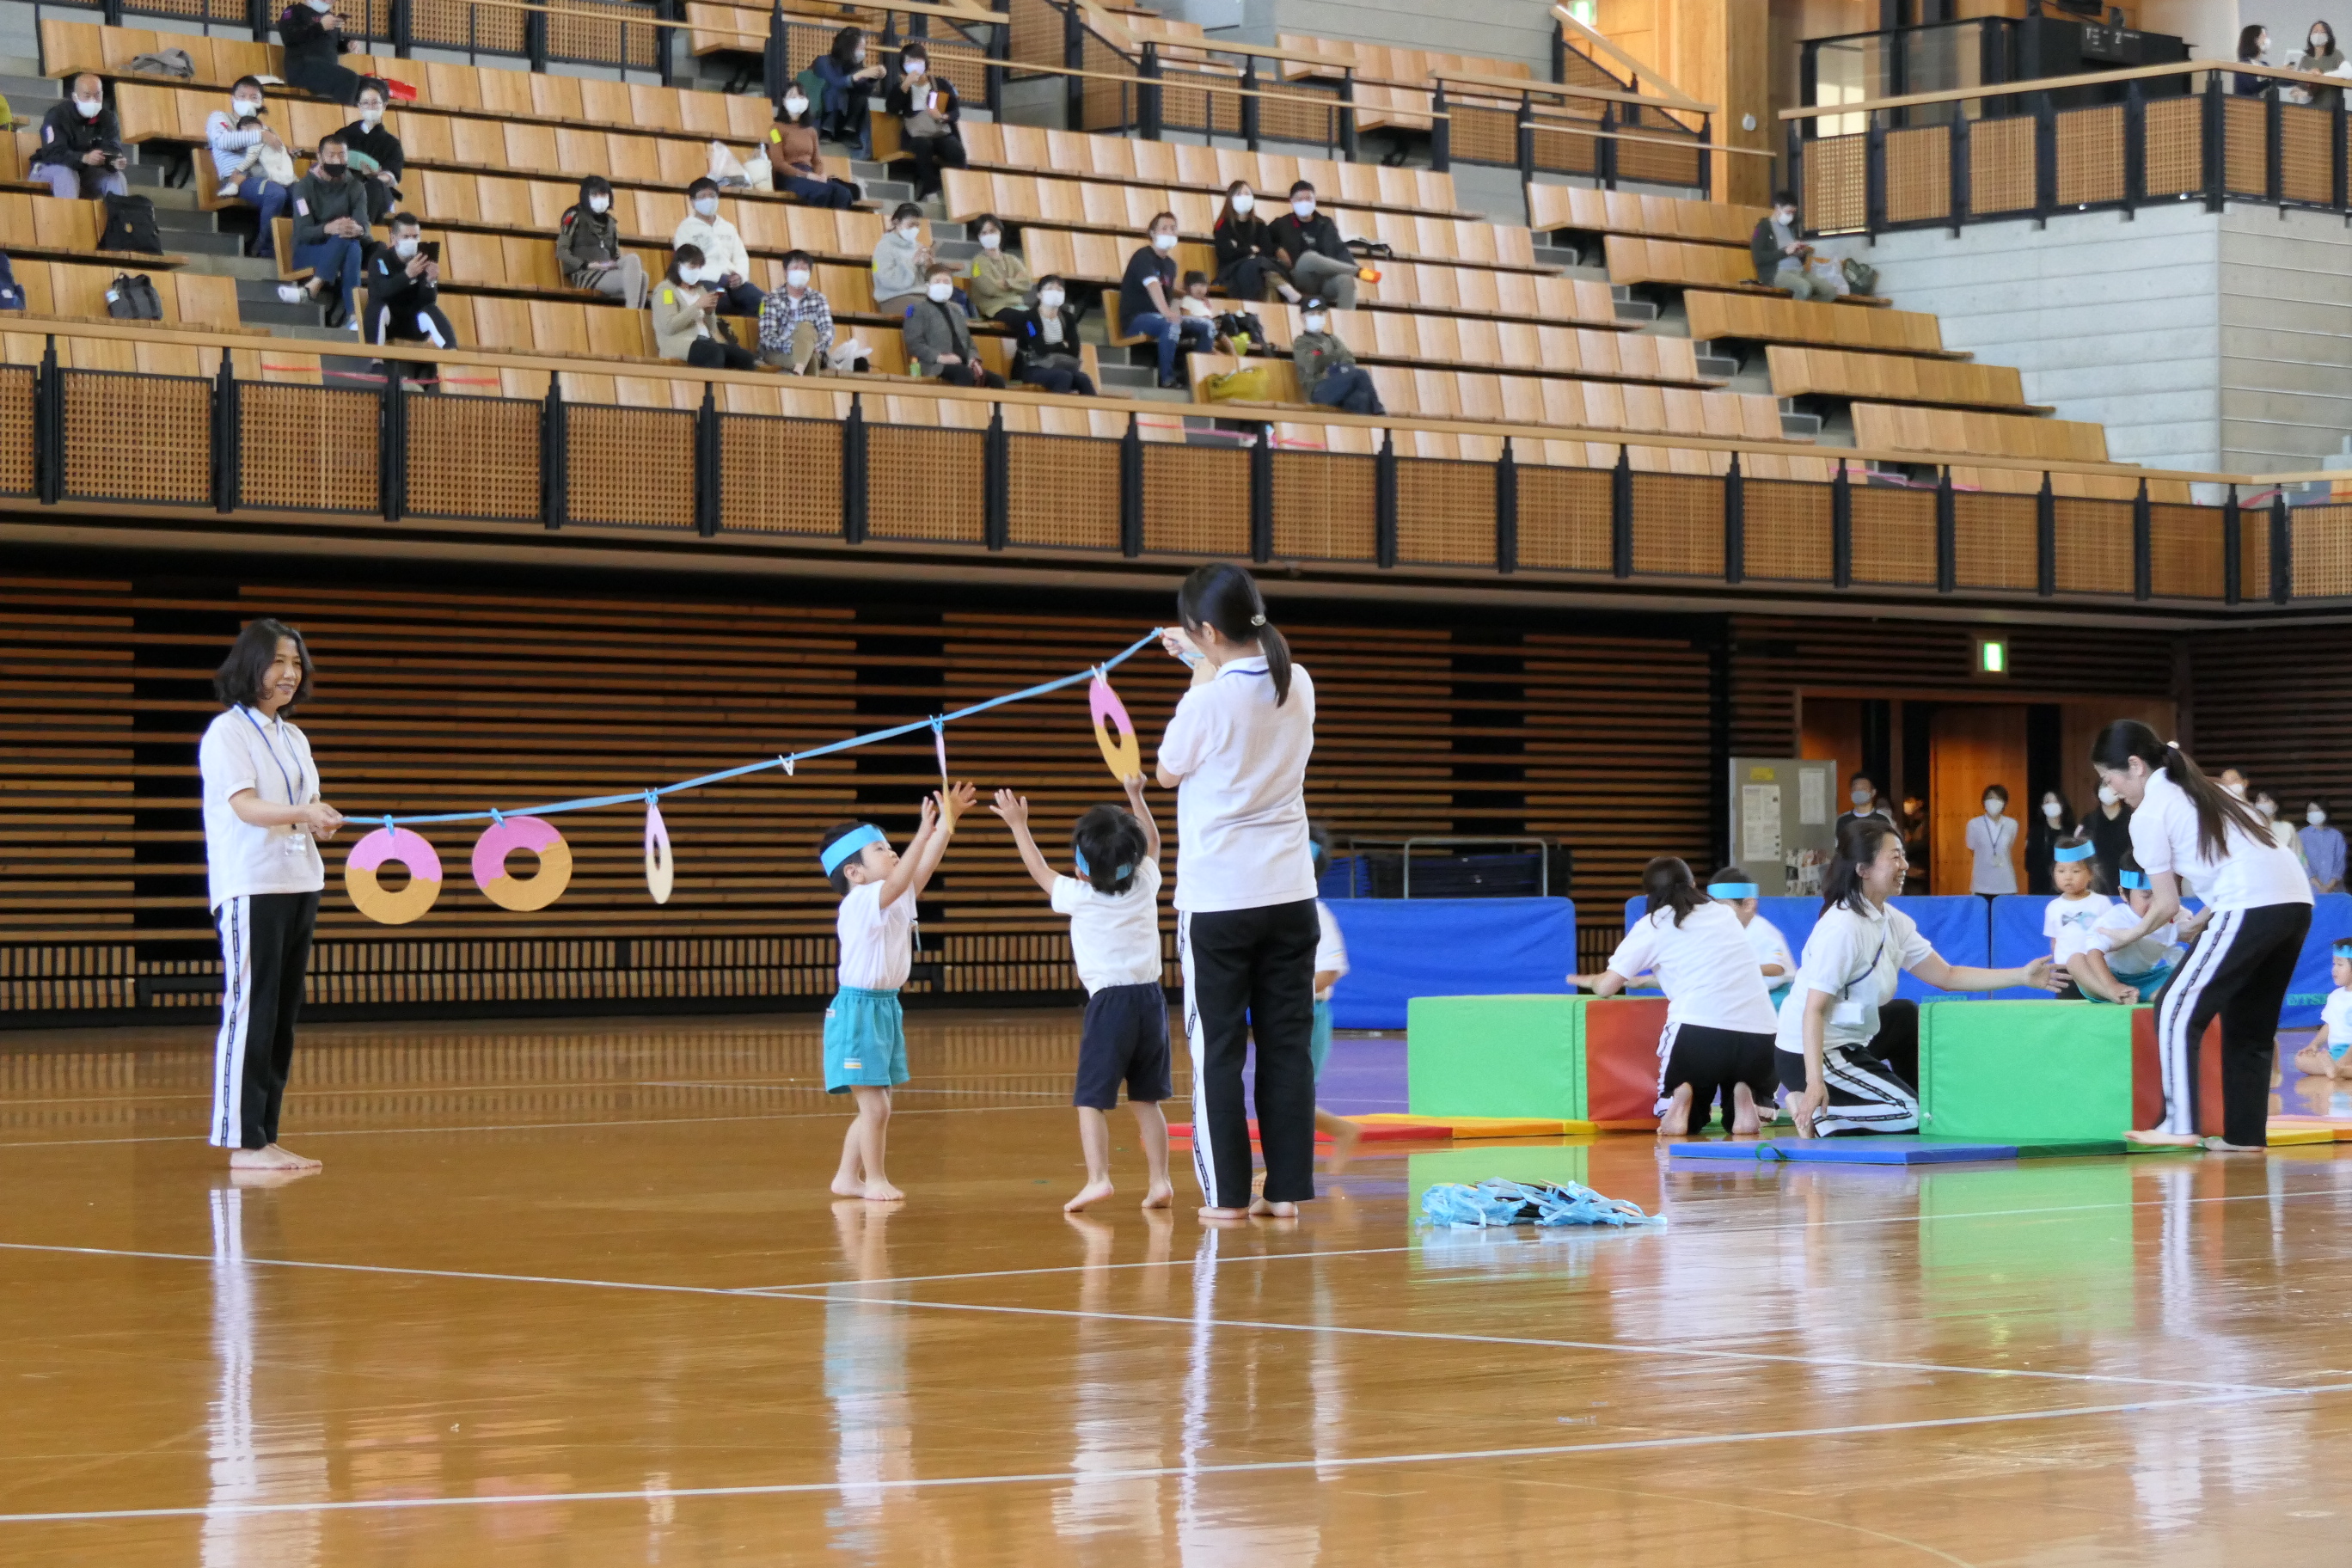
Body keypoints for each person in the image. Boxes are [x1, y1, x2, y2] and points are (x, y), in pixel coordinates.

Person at [1155, 563, 1318, 1220]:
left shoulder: (1206, 700)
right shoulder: (1297, 680)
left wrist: (1199, 671)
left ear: (1208, 631)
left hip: (1220, 901)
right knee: (1287, 1047)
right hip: (1291, 896)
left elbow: (1167, 771)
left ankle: (1226, 1197)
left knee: (1216, 1052)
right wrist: (1203, 657)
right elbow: (1241, 685)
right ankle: (1285, 1192)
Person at [2092, 721, 2313, 1151]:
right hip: (2294, 903)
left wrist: (2127, 935)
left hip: (2250, 904)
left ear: (2135, 766)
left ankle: (2178, 1124)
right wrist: (2203, 920)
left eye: (2108, 778)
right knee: (2249, 1022)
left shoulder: (2151, 813)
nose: (2111, 790)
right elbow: (2248, 861)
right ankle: (2244, 1135)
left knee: (2174, 1006)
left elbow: (2165, 904)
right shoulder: (2211, 790)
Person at [1781, 817, 2056, 1136]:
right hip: (1811, 1053)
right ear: (1863, 870)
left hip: (1854, 1040)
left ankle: (1920, 1102)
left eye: (1903, 856)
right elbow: (1813, 1010)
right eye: (1894, 857)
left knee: (1904, 1014)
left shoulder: (1892, 920)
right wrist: (1814, 1082)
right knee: (1910, 1116)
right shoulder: (1841, 928)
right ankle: (1816, 1112)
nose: (1904, 865)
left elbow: (1948, 976)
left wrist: (2022, 976)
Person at [989, 777, 1173, 1213]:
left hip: (1110, 1006)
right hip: (1152, 1001)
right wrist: (1136, 795)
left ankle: (1098, 1179)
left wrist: (1018, 825)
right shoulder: (1147, 880)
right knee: (1146, 1100)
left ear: (1081, 869)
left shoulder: (1080, 896)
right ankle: (1160, 1181)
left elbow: (1040, 871)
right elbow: (1153, 842)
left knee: (1091, 1099)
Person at [201, 617, 344, 1173]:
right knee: (252, 1010)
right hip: (252, 885)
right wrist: (303, 812)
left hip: (300, 881)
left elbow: (300, 808)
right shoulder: (227, 733)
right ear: (252, 666)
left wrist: (317, 820)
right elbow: (245, 806)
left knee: (282, 1014)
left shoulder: (294, 736)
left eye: (296, 663)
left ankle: (265, 1135)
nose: (289, 673)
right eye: (278, 661)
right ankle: (243, 1142)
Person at [815, 782, 975, 1203]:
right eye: (881, 850)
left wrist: (947, 823)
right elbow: (905, 875)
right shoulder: (861, 901)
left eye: (890, 847)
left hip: (884, 1007)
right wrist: (923, 831)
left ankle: (846, 1178)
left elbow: (921, 869)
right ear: (854, 873)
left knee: (878, 1105)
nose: (893, 853)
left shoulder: (894, 896)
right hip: (857, 1011)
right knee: (877, 1107)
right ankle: (875, 1180)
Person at [1571, 856, 1781, 1138]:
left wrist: (1591, 980)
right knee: (1752, 1106)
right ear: (1693, 885)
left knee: (1688, 1117)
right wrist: (1648, 980)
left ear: (1649, 895)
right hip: (1762, 1032)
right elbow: (1712, 970)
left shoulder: (1653, 924)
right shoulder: (1723, 915)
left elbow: (1607, 987)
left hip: (1699, 1032)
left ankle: (1680, 1096)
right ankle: (1747, 1101)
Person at [276, 134, 370, 331]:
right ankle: (354, 315)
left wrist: (357, 229)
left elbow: (364, 226)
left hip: (342, 250)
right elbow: (303, 233)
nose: (337, 160)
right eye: (331, 155)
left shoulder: (357, 187)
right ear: (319, 157)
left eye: (342, 155)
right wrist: (329, 228)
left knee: (352, 244)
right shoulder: (303, 187)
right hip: (309, 251)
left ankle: (313, 287)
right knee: (348, 242)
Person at [2069, 853, 2189, 1007]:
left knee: (2187, 971)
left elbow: (2195, 934)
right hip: (2105, 978)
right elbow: (2094, 954)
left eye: (2161, 896)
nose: (2156, 904)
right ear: (2123, 894)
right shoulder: (2116, 918)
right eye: (2146, 896)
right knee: (2076, 960)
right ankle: (2114, 994)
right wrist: (2112, 986)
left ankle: (2152, 994)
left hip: (2148, 979)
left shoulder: (2174, 912)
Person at [1306, 824, 1358, 1155]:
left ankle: (1341, 1130)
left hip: (1308, 1014)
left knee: (1291, 1094)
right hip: (1284, 1012)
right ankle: (1342, 1130)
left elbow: (1330, 970)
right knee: (1282, 1094)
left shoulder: (1316, 913)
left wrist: (1288, 994)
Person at [1122, 212, 1215, 389]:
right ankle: (1167, 378)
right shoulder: (1143, 256)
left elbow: (1169, 291)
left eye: (1173, 228)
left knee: (1207, 326)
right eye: (1164, 228)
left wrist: (1195, 299)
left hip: (1160, 318)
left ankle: (1193, 378)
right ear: (1152, 233)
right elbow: (1153, 285)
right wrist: (1166, 312)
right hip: (1136, 319)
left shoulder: (1171, 265)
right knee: (1171, 324)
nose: (1169, 232)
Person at [361, 212, 455, 388]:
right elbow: (380, 292)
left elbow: (427, 301)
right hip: (390, 323)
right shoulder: (380, 259)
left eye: (415, 237)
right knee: (377, 306)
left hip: (413, 325)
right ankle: (376, 362)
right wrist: (407, 275)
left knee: (431, 310)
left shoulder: (422, 260)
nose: (411, 241)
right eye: (406, 237)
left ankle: (452, 354)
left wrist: (430, 282)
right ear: (394, 238)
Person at [206, 79, 290, 258]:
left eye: (254, 97)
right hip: (236, 177)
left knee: (302, 194)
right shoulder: (220, 118)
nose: (247, 101)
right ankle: (265, 248)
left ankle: (298, 249)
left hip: (270, 176)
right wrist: (260, 135)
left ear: (261, 102)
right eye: (242, 96)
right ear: (232, 98)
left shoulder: (266, 129)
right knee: (275, 194)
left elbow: (277, 156)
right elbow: (223, 141)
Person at [653, 245, 759, 371]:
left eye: (699, 267)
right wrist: (697, 306)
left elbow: (712, 328)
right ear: (678, 265)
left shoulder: (700, 289)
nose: (696, 271)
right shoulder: (666, 290)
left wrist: (709, 312)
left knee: (746, 358)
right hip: (679, 343)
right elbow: (669, 326)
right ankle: (710, 384)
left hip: (706, 341)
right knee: (713, 354)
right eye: (692, 266)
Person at [884, 41, 964, 200]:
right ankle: (930, 187)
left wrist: (942, 116)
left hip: (939, 132)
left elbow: (955, 111)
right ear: (903, 65)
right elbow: (891, 109)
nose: (914, 64)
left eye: (917, 60)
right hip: (916, 135)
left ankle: (960, 187)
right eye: (909, 61)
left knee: (954, 148)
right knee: (923, 145)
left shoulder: (941, 84)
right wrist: (904, 87)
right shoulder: (901, 87)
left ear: (925, 62)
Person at [904, 263, 1006, 387]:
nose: (942, 285)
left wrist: (973, 359)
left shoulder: (957, 309)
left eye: (946, 282)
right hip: (936, 365)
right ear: (927, 286)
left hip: (964, 364)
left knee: (998, 381)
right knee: (964, 374)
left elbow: (968, 342)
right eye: (937, 281)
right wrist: (941, 358)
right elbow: (914, 344)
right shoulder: (918, 309)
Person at [672, 178, 763, 315]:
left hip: (733, 282)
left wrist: (740, 275)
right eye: (702, 196)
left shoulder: (728, 227)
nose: (708, 200)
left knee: (764, 303)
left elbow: (740, 257)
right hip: (705, 280)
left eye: (712, 195)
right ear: (692, 202)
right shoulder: (686, 229)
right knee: (721, 301)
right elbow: (686, 263)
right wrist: (717, 276)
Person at [556, 175, 647, 310]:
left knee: (641, 273)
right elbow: (561, 251)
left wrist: (610, 265)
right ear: (585, 196)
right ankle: (633, 312)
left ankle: (633, 312)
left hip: (606, 270)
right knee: (638, 276)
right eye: (595, 195)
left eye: (603, 195)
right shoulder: (574, 216)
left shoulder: (610, 222)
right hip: (586, 274)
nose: (600, 199)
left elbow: (615, 255)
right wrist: (587, 265)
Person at [1710, 866, 1792, 1009]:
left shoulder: (1763, 931)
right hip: (1751, 997)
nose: (1717, 914)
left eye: (1724, 907)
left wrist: (1744, 968)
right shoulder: (1730, 932)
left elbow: (1778, 968)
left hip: (1775, 998)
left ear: (1748, 905)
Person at [34, 74, 127, 200]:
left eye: (97, 95)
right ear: (75, 97)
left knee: (116, 178)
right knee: (67, 174)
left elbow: (112, 147)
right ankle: (69, 213)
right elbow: (52, 153)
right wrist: (84, 158)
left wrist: (113, 160)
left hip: (87, 172)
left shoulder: (108, 118)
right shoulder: (57, 115)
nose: (93, 100)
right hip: (51, 167)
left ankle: (120, 213)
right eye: (87, 96)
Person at [1267, 181, 1357, 310]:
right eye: (1300, 199)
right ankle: (1356, 271)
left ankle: (1347, 320)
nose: (1304, 202)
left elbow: (1339, 248)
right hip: (1299, 278)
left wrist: (1349, 263)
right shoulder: (1281, 224)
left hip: (1324, 280)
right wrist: (1277, 249)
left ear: (1315, 200)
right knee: (1309, 257)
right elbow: (1264, 241)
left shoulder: (1326, 223)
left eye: (1308, 198)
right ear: (1291, 201)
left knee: (1347, 281)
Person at [2043, 836, 2112, 997]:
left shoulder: (2101, 903)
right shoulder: (2053, 907)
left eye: (2075, 871)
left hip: (2096, 969)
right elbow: (2055, 942)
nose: (2068, 877)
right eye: (2061, 871)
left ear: (2091, 873)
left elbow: (2110, 937)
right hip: (2065, 972)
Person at [765, 88, 857, 209]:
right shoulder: (775, 129)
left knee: (844, 193)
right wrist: (806, 175)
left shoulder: (811, 131)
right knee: (821, 193)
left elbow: (817, 161)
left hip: (809, 173)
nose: (798, 100)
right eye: (793, 96)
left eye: (801, 96)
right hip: (789, 176)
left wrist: (818, 175)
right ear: (784, 101)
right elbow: (778, 163)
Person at [1005, 275, 1094, 396]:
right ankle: (1056, 408)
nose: (1055, 293)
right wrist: (1061, 345)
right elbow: (1039, 349)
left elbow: (1075, 350)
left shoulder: (1068, 318)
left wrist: (1054, 347)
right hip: (1033, 367)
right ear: (1039, 295)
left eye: (1059, 290)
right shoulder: (1029, 319)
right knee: (1063, 377)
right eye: (1050, 289)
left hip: (1062, 366)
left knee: (1083, 379)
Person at [1291, 299, 1383, 415]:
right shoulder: (1301, 343)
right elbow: (1311, 364)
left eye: (1320, 314)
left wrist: (1328, 362)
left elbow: (1349, 359)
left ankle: (1370, 423)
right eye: (1312, 314)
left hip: (1339, 387)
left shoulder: (1332, 339)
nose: (1317, 317)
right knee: (1360, 374)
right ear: (1303, 317)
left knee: (1360, 399)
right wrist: (1334, 359)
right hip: (1318, 390)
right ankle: (1379, 412)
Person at [1213, 181, 1299, 304]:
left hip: (1259, 267)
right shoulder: (1223, 225)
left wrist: (1241, 251)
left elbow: (1267, 251)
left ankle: (1271, 306)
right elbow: (1226, 254)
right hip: (1232, 270)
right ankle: (1287, 290)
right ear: (1230, 199)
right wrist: (1250, 250)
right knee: (1259, 265)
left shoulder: (1259, 224)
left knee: (1263, 270)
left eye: (1247, 194)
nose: (1244, 197)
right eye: (1239, 194)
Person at [336, 80, 403, 227]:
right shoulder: (344, 135)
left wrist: (376, 175)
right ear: (359, 106)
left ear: (384, 106)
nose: (370, 107)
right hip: (346, 185)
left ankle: (361, 230)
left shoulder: (392, 143)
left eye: (375, 103)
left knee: (375, 186)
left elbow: (392, 174)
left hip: (376, 190)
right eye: (365, 103)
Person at [811, 26, 886, 156]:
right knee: (834, 92)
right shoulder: (823, 61)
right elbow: (835, 82)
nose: (862, 52)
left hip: (844, 117)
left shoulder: (856, 66)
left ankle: (849, 131)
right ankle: (827, 130)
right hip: (823, 114)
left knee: (860, 96)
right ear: (848, 46)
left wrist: (874, 77)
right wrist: (858, 75)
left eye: (864, 48)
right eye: (860, 48)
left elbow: (863, 90)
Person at [757, 251, 833, 374]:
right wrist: (794, 346)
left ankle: (798, 369)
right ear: (785, 272)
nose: (799, 272)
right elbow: (767, 336)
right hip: (778, 353)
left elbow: (827, 331)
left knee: (806, 328)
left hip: (812, 350)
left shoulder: (819, 299)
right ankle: (801, 370)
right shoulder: (770, 299)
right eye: (795, 268)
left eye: (804, 269)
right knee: (810, 359)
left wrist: (813, 347)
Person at [279, 0, 364, 106]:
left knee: (372, 85)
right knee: (349, 79)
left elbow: (331, 46)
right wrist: (320, 27)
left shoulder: (330, 16)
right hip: (302, 68)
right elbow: (289, 37)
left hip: (326, 69)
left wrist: (347, 45)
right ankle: (339, 115)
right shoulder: (294, 11)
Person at [2290, 940, 2352, 1080]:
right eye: (2334, 964)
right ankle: (2339, 1069)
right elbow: (2330, 1024)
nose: (2334, 969)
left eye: (2340, 964)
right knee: (2300, 1060)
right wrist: (2314, 1045)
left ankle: (2340, 1069)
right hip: (2337, 1052)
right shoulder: (2335, 997)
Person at [1751, 190, 1823, 300]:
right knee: (1804, 288)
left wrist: (1801, 254)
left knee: (1829, 291)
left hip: (1799, 271)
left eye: (1793, 213)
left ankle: (1808, 309)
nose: (1791, 216)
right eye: (1788, 212)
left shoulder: (1791, 229)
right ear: (1778, 207)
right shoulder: (1763, 227)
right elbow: (1759, 258)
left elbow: (1800, 260)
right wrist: (1785, 252)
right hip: (1777, 273)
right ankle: (1797, 310)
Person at [965, 214, 1033, 324]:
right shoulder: (978, 262)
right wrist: (1015, 285)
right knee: (1025, 321)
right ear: (979, 237)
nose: (989, 235)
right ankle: (1032, 335)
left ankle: (1032, 335)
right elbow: (988, 288)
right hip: (994, 309)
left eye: (992, 231)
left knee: (1036, 319)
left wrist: (1006, 283)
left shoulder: (1012, 259)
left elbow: (1027, 284)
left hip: (1018, 306)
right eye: (984, 233)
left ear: (1000, 232)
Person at [871, 202, 933, 316]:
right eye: (911, 225)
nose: (915, 229)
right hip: (894, 298)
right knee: (928, 311)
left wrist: (928, 266)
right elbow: (889, 280)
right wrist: (912, 263)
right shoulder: (884, 247)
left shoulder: (918, 246)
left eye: (917, 226)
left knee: (954, 310)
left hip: (921, 296)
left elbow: (928, 281)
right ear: (896, 223)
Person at [1966, 782, 2018, 895]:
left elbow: (2009, 846)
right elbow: (1971, 848)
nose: (1994, 802)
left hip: (2006, 883)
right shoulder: (1974, 824)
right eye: (1990, 798)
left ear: (2004, 802)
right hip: (1981, 884)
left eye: (1998, 798)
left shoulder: (2012, 824)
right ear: (1984, 802)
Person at [2025, 788, 2075, 894]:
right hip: (2040, 888)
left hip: (2066, 886)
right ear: (2042, 807)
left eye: (2055, 801)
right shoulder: (2035, 832)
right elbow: (2029, 863)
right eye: (2048, 802)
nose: (2052, 805)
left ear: (2062, 805)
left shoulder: (2071, 832)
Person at [2293, 21, 2345, 108]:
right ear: (2310, 36)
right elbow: (2299, 87)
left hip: (2330, 108)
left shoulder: (2336, 55)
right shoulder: (2305, 59)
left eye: (2322, 32)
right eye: (2315, 32)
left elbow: (2347, 73)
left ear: (2328, 36)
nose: (2318, 35)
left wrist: (2322, 76)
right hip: (2307, 109)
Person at [2251, 785, 2306, 866]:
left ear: (2276, 806)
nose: (2262, 803)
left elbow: (2299, 855)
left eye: (2267, 800)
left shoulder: (2287, 827)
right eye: (2258, 800)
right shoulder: (2251, 828)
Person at [2086, 779, 2133, 872]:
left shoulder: (2132, 818)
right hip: (2098, 875)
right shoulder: (2089, 820)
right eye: (2104, 786)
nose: (2108, 789)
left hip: (2127, 873)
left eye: (2110, 785)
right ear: (2098, 791)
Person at [2302, 799, 2344, 894]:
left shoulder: (2336, 836)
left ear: (2325, 812)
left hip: (2334, 890)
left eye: (2317, 810)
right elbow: (2302, 861)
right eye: (2310, 810)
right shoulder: (2300, 836)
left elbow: (2340, 863)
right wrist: (2319, 886)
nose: (2314, 813)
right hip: (2310, 891)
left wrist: (2329, 886)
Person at [1834, 772, 1895, 838]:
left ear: (1873, 792)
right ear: (1851, 793)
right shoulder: (1843, 820)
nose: (1859, 792)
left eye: (1863, 789)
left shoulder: (1883, 819)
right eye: (1855, 789)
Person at [2237, 24, 2274, 95]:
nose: (2266, 40)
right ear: (2255, 40)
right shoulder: (2243, 64)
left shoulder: (2265, 65)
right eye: (2264, 37)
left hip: (2264, 101)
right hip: (2247, 101)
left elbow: (2278, 82)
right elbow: (2254, 87)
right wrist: (2273, 77)